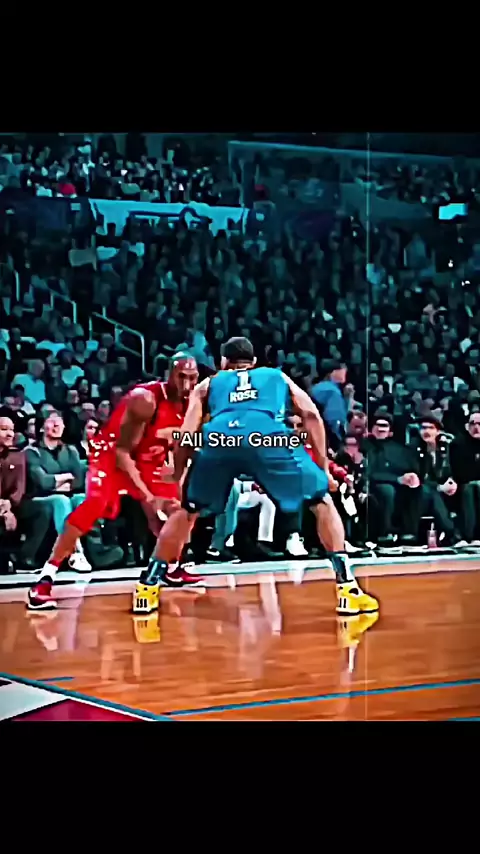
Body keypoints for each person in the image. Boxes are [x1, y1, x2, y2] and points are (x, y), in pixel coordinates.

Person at [132, 337, 379, 618]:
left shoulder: (208, 384)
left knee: (188, 511)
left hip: (219, 439)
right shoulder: (277, 376)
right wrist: (322, 468)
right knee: (320, 501)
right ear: (254, 362)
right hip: (269, 439)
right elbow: (311, 415)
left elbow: (187, 433)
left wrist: (178, 473)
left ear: (223, 362)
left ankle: (147, 588)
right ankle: (347, 588)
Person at [27, 354, 201, 611]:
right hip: (112, 454)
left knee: (180, 511)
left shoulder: (195, 402)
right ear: (168, 375)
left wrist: (176, 478)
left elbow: (185, 445)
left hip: (149, 458)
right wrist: (147, 496)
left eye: (192, 378)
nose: (186, 384)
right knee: (93, 506)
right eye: (181, 377)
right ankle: (44, 580)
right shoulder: (145, 399)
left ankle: (172, 566)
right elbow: (122, 452)